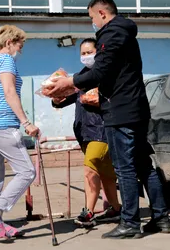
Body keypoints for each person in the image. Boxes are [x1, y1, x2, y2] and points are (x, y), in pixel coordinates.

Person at [43, 0, 170, 239]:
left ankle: (130, 223)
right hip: (135, 108)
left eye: (92, 17)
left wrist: (68, 82)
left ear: (102, 13)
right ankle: (161, 218)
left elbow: (101, 71)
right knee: (144, 165)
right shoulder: (124, 32)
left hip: (121, 111)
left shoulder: (111, 33)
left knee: (124, 168)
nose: (92, 22)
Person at [0, 24, 40, 240]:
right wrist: (26, 122)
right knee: (27, 171)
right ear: (9, 43)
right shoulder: (5, 60)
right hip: (2, 124)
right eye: (19, 46)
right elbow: (9, 90)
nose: (20, 50)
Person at [52, 38, 121, 228]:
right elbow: (65, 99)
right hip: (83, 131)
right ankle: (115, 209)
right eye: (82, 53)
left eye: (89, 52)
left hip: (102, 129)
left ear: (99, 52)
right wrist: (56, 98)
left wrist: (99, 100)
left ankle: (88, 211)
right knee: (106, 173)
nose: (86, 56)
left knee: (90, 167)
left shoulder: (107, 74)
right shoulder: (79, 76)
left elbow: (115, 98)